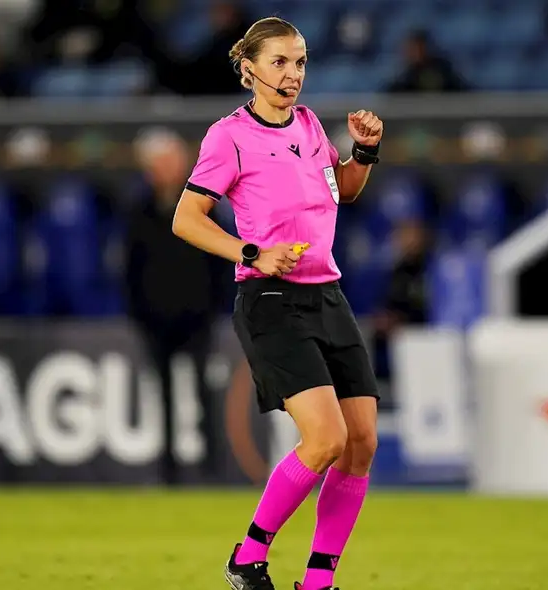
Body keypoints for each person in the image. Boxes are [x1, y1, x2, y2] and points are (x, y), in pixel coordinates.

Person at [170, 16, 384, 590]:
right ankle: (247, 556)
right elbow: (186, 219)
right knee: (326, 440)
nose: (293, 74)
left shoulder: (310, 124)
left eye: (301, 62)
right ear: (249, 70)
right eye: (280, 62)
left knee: (362, 442)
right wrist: (253, 252)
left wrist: (364, 152)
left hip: (327, 294)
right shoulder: (228, 136)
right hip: (270, 300)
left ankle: (317, 583)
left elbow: (343, 190)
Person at [124, 127, 225, 484]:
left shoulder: (204, 206)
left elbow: (219, 258)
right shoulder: (140, 212)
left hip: (196, 317)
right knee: (163, 396)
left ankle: (212, 469)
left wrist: (211, 307)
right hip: (156, 320)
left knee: (203, 393)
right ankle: (169, 471)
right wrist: (140, 313)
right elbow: (131, 268)